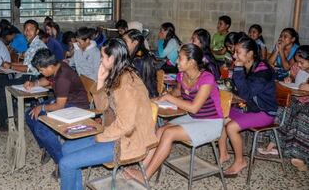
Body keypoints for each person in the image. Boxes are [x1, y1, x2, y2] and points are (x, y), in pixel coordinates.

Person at [59, 38, 157, 190]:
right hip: (116, 133)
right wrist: (100, 80)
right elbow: (103, 107)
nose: (100, 60)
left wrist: (100, 136)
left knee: (66, 164)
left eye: (103, 57)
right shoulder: (118, 74)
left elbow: (126, 125)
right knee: (66, 149)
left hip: (127, 141)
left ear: (112, 58)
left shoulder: (126, 84)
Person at [125, 43, 223, 183]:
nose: (176, 61)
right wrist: (157, 98)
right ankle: (143, 167)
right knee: (161, 130)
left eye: (180, 58)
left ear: (192, 62)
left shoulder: (207, 78)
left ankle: (146, 175)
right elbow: (177, 92)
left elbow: (194, 107)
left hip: (211, 123)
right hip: (194, 118)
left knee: (169, 133)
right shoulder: (182, 75)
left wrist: (169, 98)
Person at [218, 37, 277, 176]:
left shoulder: (263, 71)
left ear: (250, 54)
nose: (234, 55)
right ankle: (223, 154)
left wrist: (237, 69)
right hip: (249, 107)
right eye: (235, 52)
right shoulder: (248, 66)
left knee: (231, 127)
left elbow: (246, 93)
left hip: (265, 112)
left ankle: (240, 161)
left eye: (238, 52)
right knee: (221, 115)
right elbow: (238, 89)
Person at [24, 48, 89, 165]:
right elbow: (48, 80)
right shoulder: (57, 67)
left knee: (41, 127)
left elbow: (59, 106)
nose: (40, 73)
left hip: (77, 107)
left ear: (50, 66)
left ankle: (62, 161)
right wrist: (35, 83)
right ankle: (48, 147)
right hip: (65, 101)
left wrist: (42, 108)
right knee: (30, 114)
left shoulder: (62, 77)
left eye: (41, 70)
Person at [258, 45, 309, 171]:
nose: (299, 65)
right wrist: (290, 79)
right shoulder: (303, 71)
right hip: (300, 100)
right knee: (283, 107)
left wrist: (303, 86)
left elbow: (304, 88)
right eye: (297, 62)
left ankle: (300, 156)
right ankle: (275, 143)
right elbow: (299, 85)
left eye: (301, 62)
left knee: (302, 116)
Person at [0, 20, 47, 131]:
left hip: (33, 78)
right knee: (1, 80)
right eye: (25, 29)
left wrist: (11, 67)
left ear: (37, 31)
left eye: (31, 30)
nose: (27, 32)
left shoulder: (38, 46)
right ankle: (8, 117)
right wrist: (10, 64)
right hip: (27, 75)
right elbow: (25, 63)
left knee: (0, 85)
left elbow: (29, 68)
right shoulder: (32, 44)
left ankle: (8, 121)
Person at [123, 29, 158, 97]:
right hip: (150, 93)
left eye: (125, 41)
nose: (122, 43)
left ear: (135, 43)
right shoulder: (145, 53)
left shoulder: (137, 60)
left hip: (143, 97)